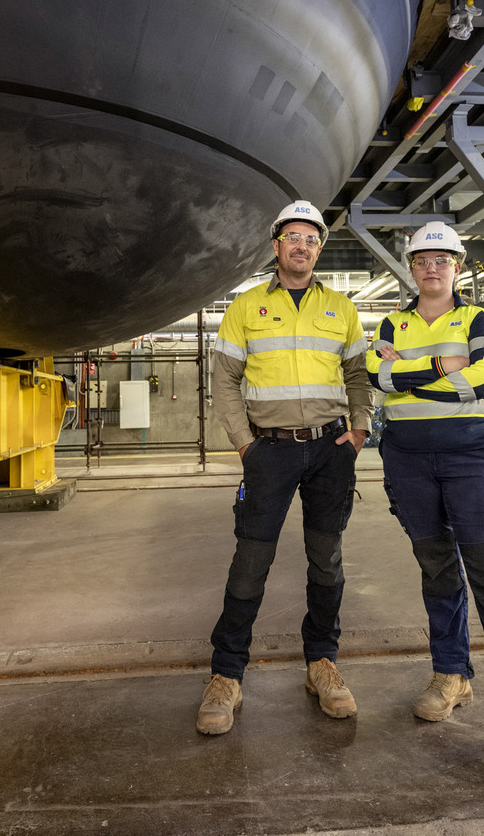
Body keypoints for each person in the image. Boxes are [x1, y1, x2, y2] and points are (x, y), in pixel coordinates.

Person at [366, 222, 484, 789]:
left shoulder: (477, 319)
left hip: (473, 458)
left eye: (442, 259)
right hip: (408, 461)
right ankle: (452, 674)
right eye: (422, 259)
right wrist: (440, 371)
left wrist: (408, 377)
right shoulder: (390, 322)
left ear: (457, 266)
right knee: (438, 572)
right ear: (410, 265)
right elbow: (378, 378)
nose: (431, 268)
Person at [198, 200, 373, 736]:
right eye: (292, 237)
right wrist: (245, 444)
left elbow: (359, 372)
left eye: (311, 239)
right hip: (268, 453)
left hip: (329, 450)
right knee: (250, 563)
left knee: (327, 561)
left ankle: (321, 664)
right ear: (276, 245)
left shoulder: (341, 308)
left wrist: (359, 429)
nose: (302, 246)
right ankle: (227, 674)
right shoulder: (246, 306)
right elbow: (224, 379)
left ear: (320, 248)